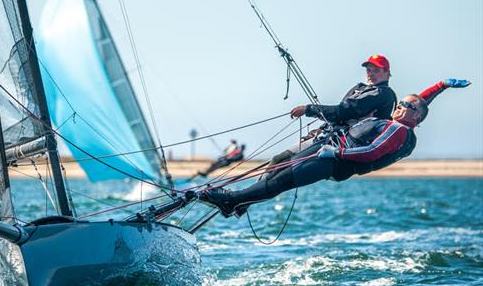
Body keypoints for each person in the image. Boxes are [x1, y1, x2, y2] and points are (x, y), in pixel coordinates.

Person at [199, 79, 470, 217]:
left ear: (417, 117)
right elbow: (422, 100)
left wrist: (335, 152)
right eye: (402, 103)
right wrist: (443, 85)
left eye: (408, 106)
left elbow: (372, 151)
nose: (401, 105)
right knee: (275, 172)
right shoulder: (401, 119)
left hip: (333, 161)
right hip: (328, 150)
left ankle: (230, 200)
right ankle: (237, 201)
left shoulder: (399, 131)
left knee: (281, 181)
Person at [268, 54, 398, 171]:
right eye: (369, 70)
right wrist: (320, 129)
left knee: (281, 163)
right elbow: (340, 115)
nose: (371, 74)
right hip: (331, 134)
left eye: (376, 70)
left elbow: (342, 112)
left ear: (387, 73)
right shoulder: (361, 89)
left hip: (342, 143)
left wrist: (308, 109)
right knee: (278, 160)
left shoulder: (383, 94)